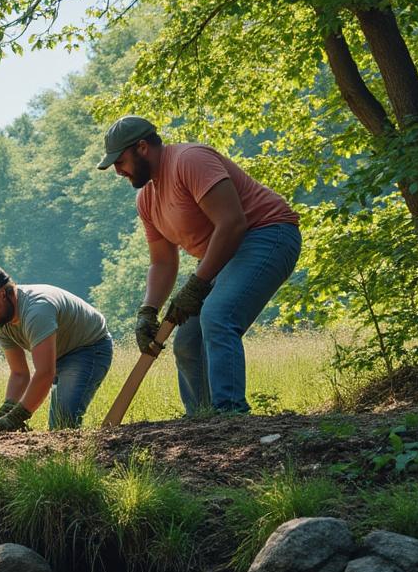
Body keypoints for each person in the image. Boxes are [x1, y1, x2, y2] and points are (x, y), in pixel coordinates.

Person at [98, 115, 301, 414]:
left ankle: (229, 414)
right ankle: (203, 420)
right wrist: (148, 311)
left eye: (120, 161)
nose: (118, 171)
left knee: (218, 315)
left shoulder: (189, 160)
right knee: (188, 342)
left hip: (267, 234)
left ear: (142, 147)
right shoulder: (147, 200)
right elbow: (163, 262)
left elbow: (232, 223)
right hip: (224, 255)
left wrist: (196, 286)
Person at [0, 265, 113, 432]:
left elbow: (45, 373)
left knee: (62, 425)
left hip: (89, 348)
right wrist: (7, 410)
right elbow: (19, 373)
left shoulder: (37, 311)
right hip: (59, 354)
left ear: (1, 293)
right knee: (58, 426)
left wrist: (16, 417)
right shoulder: (1, 321)